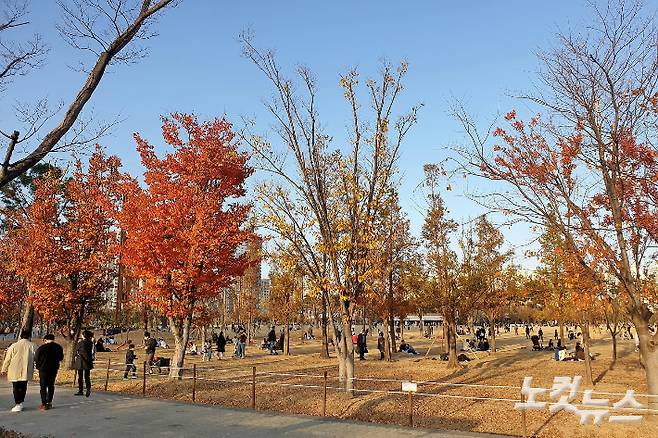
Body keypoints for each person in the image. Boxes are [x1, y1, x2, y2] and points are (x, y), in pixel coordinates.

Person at [1, 330, 37, 412]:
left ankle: (17, 403)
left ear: (20, 336)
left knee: (16, 387)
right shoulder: (32, 345)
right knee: (23, 386)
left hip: (14, 369)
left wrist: (4, 369)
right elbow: (37, 357)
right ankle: (20, 402)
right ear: (29, 337)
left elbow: (8, 358)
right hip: (26, 369)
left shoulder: (14, 345)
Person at [34, 333, 64, 410]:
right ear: (53, 339)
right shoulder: (58, 347)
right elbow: (61, 358)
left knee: (43, 386)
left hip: (43, 369)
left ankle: (44, 403)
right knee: (51, 385)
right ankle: (49, 401)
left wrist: (38, 365)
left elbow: (36, 358)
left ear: (45, 340)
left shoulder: (41, 348)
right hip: (53, 368)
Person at [74, 330, 94, 397]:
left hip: (81, 361)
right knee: (87, 376)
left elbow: (76, 351)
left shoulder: (80, 343)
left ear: (83, 335)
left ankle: (81, 390)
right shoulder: (90, 343)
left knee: (80, 377)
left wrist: (77, 355)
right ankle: (88, 388)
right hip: (88, 361)